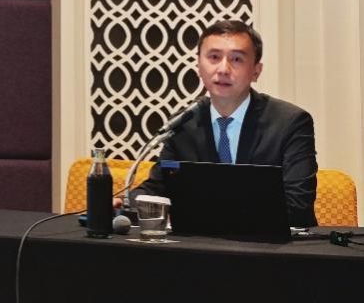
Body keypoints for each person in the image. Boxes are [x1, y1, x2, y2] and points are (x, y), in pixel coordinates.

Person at [131, 19, 318, 227]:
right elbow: (157, 188)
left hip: (271, 244)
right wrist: (127, 203)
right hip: (201, 244)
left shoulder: (290, 123)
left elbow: (298, 206)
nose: (223, 69)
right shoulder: (183, 124)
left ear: (256, 71)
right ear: (199, 66)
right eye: (214, 57)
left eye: (236, 59)